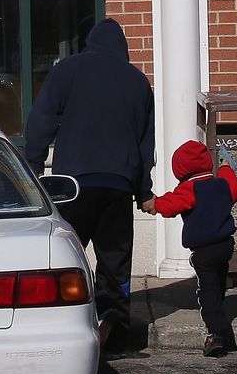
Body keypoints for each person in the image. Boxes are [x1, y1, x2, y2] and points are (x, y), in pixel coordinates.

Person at [23, 17, 156, 353]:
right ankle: (115, 328)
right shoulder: (138, 82)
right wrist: (143, 191)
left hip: (74, 185)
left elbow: (41, 120)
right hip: (118, 185)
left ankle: (62, 325)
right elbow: (145, 144)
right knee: (115, 260)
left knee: (66, 255)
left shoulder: (68, 70)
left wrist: (34, 166)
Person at [142, 141, 237, 357]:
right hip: (226, 245)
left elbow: (170, 205)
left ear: (179, 169)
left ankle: (215, 334)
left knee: (207, 293)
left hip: (204, 251)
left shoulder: (189, 189)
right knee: (217, 286)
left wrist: (153, 204)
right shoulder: (222, 183)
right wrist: (225, 165)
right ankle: (227, 335)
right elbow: (236, 186)